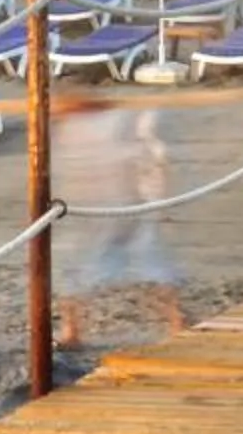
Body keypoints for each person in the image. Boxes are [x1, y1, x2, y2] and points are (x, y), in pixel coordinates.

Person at [50, 84, 184, 350]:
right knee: (72, 269)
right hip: (93, 209)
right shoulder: (71, 128)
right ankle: (72, 330)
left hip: (123, 206)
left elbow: (148, 155)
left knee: (151, 265)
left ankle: (177, 322)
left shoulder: (114, 122)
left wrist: (156, 200)